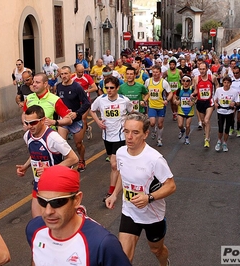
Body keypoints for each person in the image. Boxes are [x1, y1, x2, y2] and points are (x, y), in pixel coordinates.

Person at [105, 112, 176, 266]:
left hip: (152, 215)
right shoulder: (121, 153)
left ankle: (165, 264)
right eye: (126, 131)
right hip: (130, 211)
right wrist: (114, 194)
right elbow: (123, 175)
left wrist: (148, 198)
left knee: (157, 250)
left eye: (135, 132)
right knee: (124, 258)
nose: (129, 137)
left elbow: (171, 186)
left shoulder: (154, 159)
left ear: (145, 134)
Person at [26, 165, 131, 266]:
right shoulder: (34, 229)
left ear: (77, 200)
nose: (48, 211)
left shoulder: (103, 243)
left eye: (57, 202)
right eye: (42, 201)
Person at [16, 105, 78, 217]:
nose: (29, 126)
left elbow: (73, 158)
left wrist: (50, 170)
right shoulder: (27, 136)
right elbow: (34, 156)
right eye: (26, 123)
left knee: (58, 221)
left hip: (56, 186)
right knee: (37, 221)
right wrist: (25, 167)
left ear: (43, 120)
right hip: (39, 184)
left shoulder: (53, 138)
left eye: (33, 123)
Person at [90, 76, 133, 202]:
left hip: (120, 136)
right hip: (106, 135)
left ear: (117, 88)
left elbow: (132, 112)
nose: (109, 90)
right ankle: (123, 175)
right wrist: (97, 122)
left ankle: (111, 192)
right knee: (113, 163)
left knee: (113, 165)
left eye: (111, 88)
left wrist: (127, 125)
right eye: (106, 88)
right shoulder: (101, 99)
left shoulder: (124, 100)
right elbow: (92, 110)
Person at [57, 66, 91, 172]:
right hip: (64, 121)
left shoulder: (77, 87)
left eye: (66, 74)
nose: (64, 76)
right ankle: (69, 161)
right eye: (62, 74)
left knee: (78, 144)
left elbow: (86, 103)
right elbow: (56, 104)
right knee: (61, 143)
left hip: (76, 121)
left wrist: (77, 113)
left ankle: (81, 160)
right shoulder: (58, 87)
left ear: (71, 74)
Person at [192, 62, 219, 148]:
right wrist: (193, 95)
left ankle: (207, 139)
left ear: (207, 69)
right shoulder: (196, 79)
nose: (202, 71)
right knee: (203, 122)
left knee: (207, 120)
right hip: (200, 102)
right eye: (200, 69)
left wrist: (217, 97)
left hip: (209, 102)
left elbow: (217, 85)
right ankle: (206, 132)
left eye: (204, 69)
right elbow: (196, 90)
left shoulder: (212, 77)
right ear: (198, 69)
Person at [146, 65, 173, 147]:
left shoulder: (164, 82)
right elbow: (145, 91)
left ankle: (159, 139)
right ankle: (154, 130)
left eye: (157, 72)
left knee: (160, 124)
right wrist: (145, 99)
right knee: (152, 123)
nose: (155, 74)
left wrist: (167, 100)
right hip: (151, 105)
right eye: (153, 72)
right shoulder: (148, 81)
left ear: (160, 73)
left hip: (161, 106)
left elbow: (170, 93)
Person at [213, 77, 240, 152]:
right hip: (220, 111)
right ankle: (219, 141)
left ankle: (224, 143)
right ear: (223, 83)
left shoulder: (234, 91)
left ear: (230, 83)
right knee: (220, 128)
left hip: (229, 112)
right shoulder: (219, 90)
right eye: (225, 82)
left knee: (227, 129)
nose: (226, 84)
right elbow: (215, 99)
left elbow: (238, 102)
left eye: (228, 83)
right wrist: (215, 104)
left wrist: (234, 103)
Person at [72, 64, 98, 140]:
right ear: (76, 71)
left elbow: (95, 88)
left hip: (85, 102)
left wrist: (86, 91)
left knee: (83, 119)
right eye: (79, 72)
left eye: (82, 72)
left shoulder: (87, 77)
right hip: (75, 102)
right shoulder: (72, 77)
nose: (81, 74)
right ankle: (87, 128)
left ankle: (81, 138)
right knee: (75, 119)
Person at [173, 75, 196, 145]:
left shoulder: (192, 89)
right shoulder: (179, 89)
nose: (185, 82)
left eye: (187, 81)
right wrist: (176, 101)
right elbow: (174, 97)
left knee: (188, 125)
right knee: (180, 125)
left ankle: (187, 137)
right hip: (181, 110)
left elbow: (197, 97)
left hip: (189, 110)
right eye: (184, 81)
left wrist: (193, 102)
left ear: (190, 82)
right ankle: (182, 130)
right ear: (182, 82)